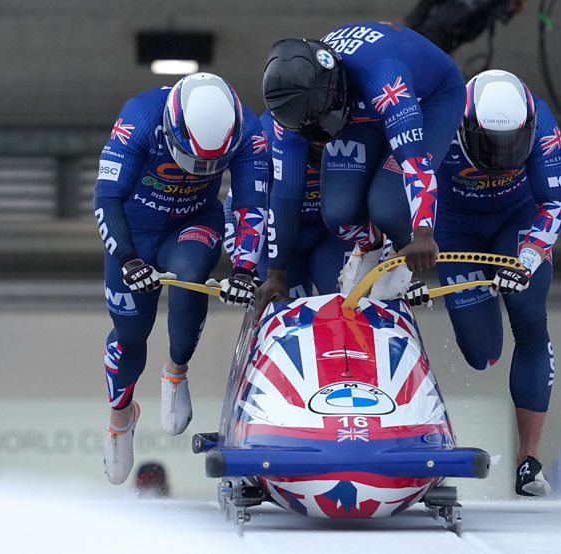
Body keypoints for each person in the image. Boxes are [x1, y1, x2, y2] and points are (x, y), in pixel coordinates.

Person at [93, 72, 268, 485]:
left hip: (192, 223)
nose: (201, 169)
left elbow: (251, 204)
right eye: (193, 159)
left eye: (212, 164)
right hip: (134, 229)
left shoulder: (250, 131)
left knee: (191, 276)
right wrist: (127, 258)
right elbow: (106, 197)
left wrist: (244, 267)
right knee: (131, 331)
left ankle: (176, 369)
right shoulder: (139, 117)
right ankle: (121, 415)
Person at [414, 69, 561, 496]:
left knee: (529, 316)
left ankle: (529, 461)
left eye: (512, 145)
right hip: (457, 230)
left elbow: (553, 205)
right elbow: (409, 188)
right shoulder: (438, 123)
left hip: (516, 224)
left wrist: (528, 258)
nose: (501, 155)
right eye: (491, 145)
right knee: (483, 353)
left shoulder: (545, 129)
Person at [259, 21, 465, 305]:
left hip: (429, 100)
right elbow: (285, 193)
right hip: (357, 110)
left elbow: (415, 162)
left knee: (389, 207)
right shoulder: (294, 110)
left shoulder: (384, 77)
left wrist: (422, 234)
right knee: (339, 213)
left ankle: (398, 249)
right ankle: (371, 246)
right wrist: (276, 273)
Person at [224, 112, 354, 299]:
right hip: (273, 241)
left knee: (350, 305)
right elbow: (233, 210)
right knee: (281, 310)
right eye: (316, 145)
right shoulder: (262, 140)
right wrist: (244, 270)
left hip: (331, 235)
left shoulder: (356, 127)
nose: (321, 152)